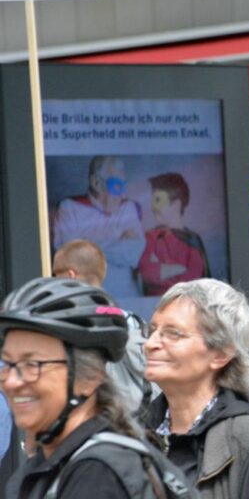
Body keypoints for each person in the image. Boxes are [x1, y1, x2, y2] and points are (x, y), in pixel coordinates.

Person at [0, 277, 194, 498]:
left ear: (89, 378)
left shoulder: (98, 474)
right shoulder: (56, 461)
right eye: (8, 364)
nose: (12, 381)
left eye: (32, 364)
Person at [143, 278, 249, 498]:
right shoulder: (136, 431)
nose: (150, 344)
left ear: (220, 354)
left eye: (173, 333)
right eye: (153, 330)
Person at [53, 238, 158, 414]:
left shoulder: (71, 329)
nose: (53, 283)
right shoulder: (132, 321)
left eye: (55, 275)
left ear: (71, 276)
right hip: (139, 426)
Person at [53, 155, 145, 297]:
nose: (123, 194)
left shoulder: (128, 208)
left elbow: (133, 254)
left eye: (124, 185)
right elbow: (71, 259)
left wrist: (86, 247)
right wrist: (116, 240)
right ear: (96, 183)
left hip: (126, 298)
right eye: (117, 186)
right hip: (84, 297)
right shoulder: (69, 208)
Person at [139, 172, 210, 296]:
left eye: (158, 200)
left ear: (176, 205)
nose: (153, 207)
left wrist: (160, 271)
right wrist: (178, 268)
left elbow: (193, 281)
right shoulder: (150, 238)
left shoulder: (193, 241)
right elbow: (146, 273)